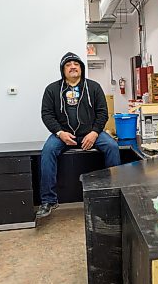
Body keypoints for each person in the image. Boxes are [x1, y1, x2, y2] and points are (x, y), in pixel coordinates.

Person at [36, 52, 121, 218]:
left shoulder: (94, 87)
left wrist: (95, 133)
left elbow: (103, 113)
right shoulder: (52, 90)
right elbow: (46, 114)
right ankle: (48, 200)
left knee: (112, 146)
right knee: (47, 151)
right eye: (68, 65)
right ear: (63, 70)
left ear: (81, 68)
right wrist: (60, 133)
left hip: (90, 133)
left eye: (76, 64)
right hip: (63, 135)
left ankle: (115, 193)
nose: (73, 67)